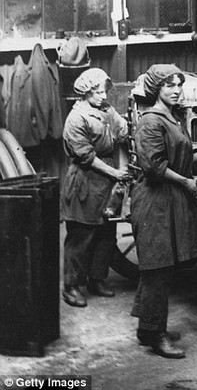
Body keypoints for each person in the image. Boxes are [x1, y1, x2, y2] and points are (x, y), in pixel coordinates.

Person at [130, 64, 197, 358]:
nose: (175, 90)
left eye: (178, 85)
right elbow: (155, 167)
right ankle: (156, 334)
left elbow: (178, 156)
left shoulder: (171, 117)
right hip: (155, 203)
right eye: (169, 85)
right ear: (156, 89)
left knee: (162, 267)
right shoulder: (151, 122)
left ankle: (148, 328)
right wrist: (186, 180)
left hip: (170, 198)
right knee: (158, 268)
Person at [60, 68, 131, 308]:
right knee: (82, 236)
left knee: (106, 233)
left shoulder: (106, 110)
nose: (103, 95)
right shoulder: (76, 118)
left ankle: (96, 279)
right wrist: (116, 173)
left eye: (104, 91)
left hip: (106, 181)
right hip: (86, 180)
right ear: (85, 92)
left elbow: (122, 131)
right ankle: (71, 286)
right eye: (97, 91)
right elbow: (86, 157)